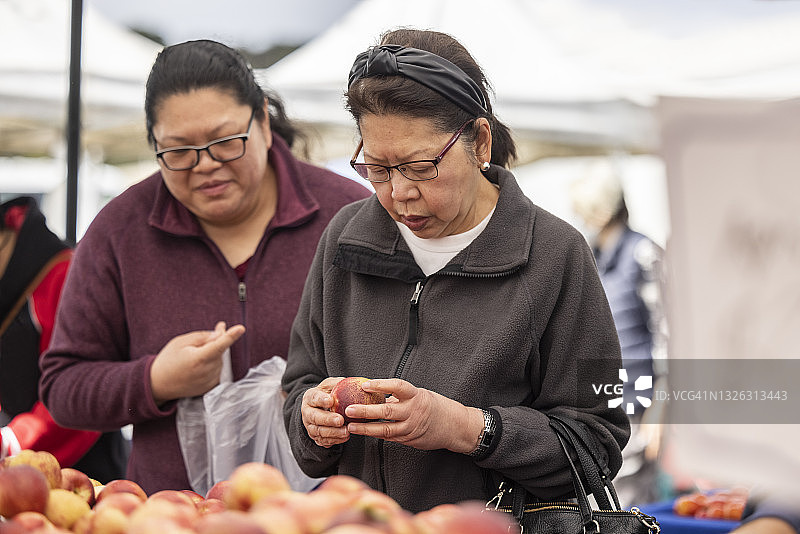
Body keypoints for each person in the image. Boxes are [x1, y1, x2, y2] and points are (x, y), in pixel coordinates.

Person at [281, 28, 630, 513]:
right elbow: (299, 387)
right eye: (377, 168)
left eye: (420, 166)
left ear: (479, 141)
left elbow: (598, 443)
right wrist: (312, 420)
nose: (398, 193)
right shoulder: (345, 239)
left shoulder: (554, 255)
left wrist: (466, 428)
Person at [38, 40, 371, 494]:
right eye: (179, 151)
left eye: (226, 142)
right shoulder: (120, 230)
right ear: (155, 145)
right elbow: (62, 388)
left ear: (262, 122)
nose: (206, 165)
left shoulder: (348, 216)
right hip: (171, 513)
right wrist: (155, 380)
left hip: (329, 510)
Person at [0, 196, 127, 482]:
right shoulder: (10, 281)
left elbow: (83, 382)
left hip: (82, 469)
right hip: (21, 467)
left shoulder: (64, 273)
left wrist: (13, 441)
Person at [569, 161, 668, 506]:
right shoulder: (591, 255)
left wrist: (662, 405)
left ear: (601, 211)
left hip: (640, 399)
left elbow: (667, 334)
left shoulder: (644, 253)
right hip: (602, 399)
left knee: (631, 499)